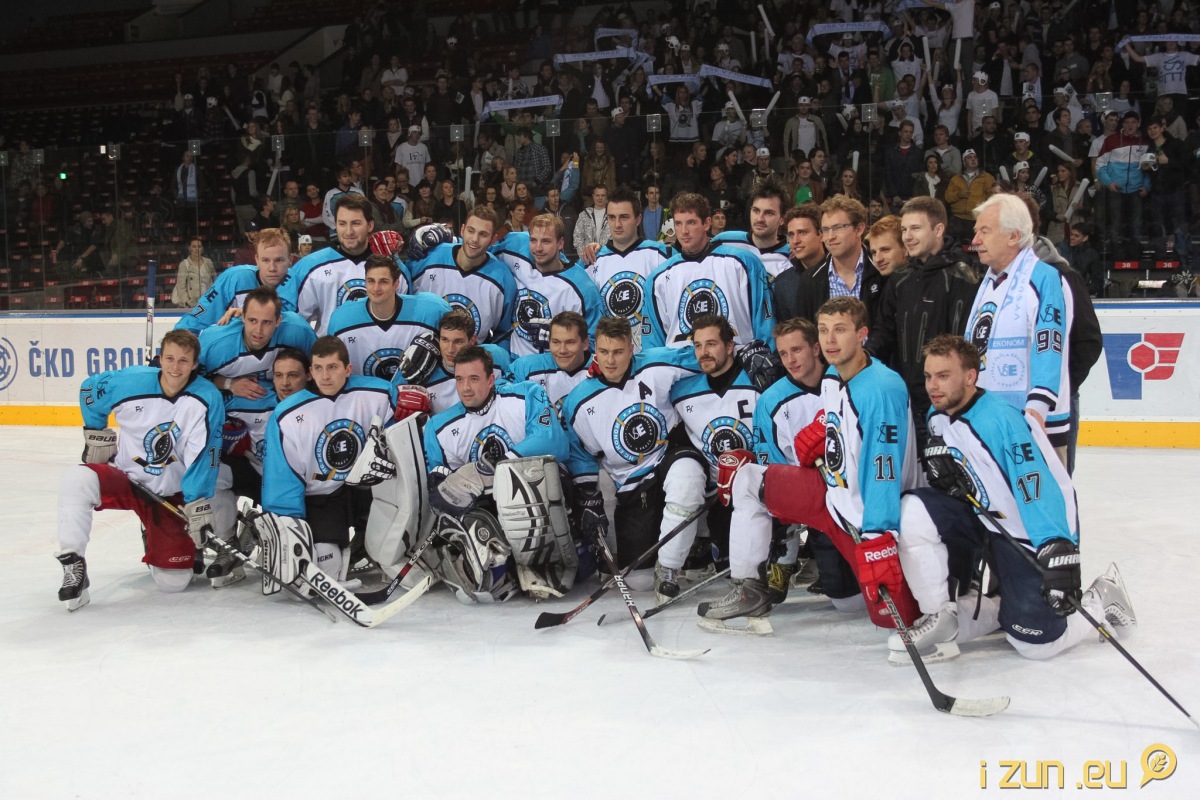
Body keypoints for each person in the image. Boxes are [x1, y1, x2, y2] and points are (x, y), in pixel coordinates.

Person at [891, 335, 1134, 662]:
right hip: (984, 520)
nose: (933, 385)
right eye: (929, 376)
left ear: (970, 376)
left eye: (943, 376)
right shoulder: (938, 415)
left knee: (1036, 645)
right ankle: (942, 616)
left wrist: (1055, 544)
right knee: (912, 510)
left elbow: (1037, 486)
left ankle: (1100, 598)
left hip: (1025, 531)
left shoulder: (1001, 420)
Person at [715, 297, 922, 630]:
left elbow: (883, 471)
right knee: (749, 479)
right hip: (830, 495)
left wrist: (877, 538)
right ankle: (747, 589)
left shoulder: (881, 388)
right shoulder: (832, 378)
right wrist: (819, 437)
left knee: (893, 618)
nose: (830, 340)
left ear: (862, 334)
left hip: (869, 519)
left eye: (840, 330)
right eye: (824, 330)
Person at [55, 330, 234, 609]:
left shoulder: (206, 398)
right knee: (77, 479)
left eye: (184, 361)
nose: (175, 367)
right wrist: (95, 432)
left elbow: (205, 453)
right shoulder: (130, 381)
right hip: (127, 480)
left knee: (173, 583)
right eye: (170, 358)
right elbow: (90, 390)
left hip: (170, 496)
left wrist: (196, 500)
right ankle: (73, 562)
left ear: (195, 365)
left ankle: (153, 533)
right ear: (160, 359)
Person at [700, 317, 827, 632]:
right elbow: (774, 472)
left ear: (816, 348)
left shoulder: (842, 385)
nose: (790, 360)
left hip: (848, 494)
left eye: (797, 350)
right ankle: (751, 587)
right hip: (809, 494)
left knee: (849, 599)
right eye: (783, 353)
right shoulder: (770, 400)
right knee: (748, 478)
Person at [422, 345, 570, 601]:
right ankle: (499, 570)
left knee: (524, 478)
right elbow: (439, 489)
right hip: (489, 511)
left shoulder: (527, 395)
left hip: (539, 499)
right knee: (462, 507)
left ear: (491, 380)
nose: (466, 388)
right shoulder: (438, 428)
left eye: (474, 379)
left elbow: (555, 442)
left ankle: (538, 563)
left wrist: (500, 464)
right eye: (459, 379)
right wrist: (449, 488)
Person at [561, 316, 701, 584]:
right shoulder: (579, 400)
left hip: (668, 456)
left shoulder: (656, 364)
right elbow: (580, 453)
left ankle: (670, 566)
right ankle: (657, 561)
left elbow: (705, 357)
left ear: (631, 348)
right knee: (640, 583)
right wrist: (588, 496)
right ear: (595, 349)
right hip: (631, 485)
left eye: (618, 352)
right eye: (604, 352)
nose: (610, 360)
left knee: (688, 477)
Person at [261, 336, 396, 584]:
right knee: (326, 568)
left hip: (369, 491)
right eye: (319, 368)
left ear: (347, 369)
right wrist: (288, 529)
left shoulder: (380, 394)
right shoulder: (288, 414)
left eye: (332, 367)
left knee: (394, 554)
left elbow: (401, 445)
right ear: (310, 372)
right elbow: (282, 478)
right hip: (323, 497)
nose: (325, 376)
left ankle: (376, 546)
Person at [658, 314, 764, 599]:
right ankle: (668, 567)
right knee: (684, 477)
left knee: (742, 569)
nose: (704, 352)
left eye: (712, 344)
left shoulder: (757, 381)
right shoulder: (681, 391)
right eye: (698, 345)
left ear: (730, 346)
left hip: (752, 487)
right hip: (713, 488)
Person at [966, 194, 1072, 458]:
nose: (975, 240)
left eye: (984, 231)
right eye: (976, 231)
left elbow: (1049, 343)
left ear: (1013, 236)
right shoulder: (989, 281)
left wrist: (1039, 405)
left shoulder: (1044, 278)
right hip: (990, 418)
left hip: (1037, 423)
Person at [870, 196, 979, 443]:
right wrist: (863, 357)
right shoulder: (899, 279)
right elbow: (883, 332)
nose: (907, 237)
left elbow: (963, 345)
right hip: (905, 404)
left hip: (948, 407)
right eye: (904, 230)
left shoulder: (961, 275)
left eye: (915, 228)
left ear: (938, 230)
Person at [642, 192, 774, 350]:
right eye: (678, 223)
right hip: (682, 364)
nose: (684, 231)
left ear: (706, 223)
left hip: (735, 360)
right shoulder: (658, 278)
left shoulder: (744, 263)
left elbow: (765, 326)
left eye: (691, 223)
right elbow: (652, 346)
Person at [493, 214, 604, 358]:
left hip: (556, 366)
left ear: (560, 243)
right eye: (533, 240)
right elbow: (481, 251)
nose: (538, 248)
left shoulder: (583, 289)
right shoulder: (515, 247)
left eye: (546, 241)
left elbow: (594, 342)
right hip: (514, 362)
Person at [328, 254, 451, 381]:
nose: (376, 288)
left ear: (396, 284)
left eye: (383, 281)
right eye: (371, 281)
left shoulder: (431, 311)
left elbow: (458, 346)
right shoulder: (342, 319)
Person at [407, 208, 516, 347]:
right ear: (462, 230)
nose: (475, 239)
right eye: (471, 231)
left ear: (493, 240)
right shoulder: (429, 258)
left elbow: (503, 334)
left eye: (483, 234)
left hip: (471, 357)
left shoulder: (502, 279)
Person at [279, 194, 384, 337]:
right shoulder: (309, 266)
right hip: (330, 349)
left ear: (370, 225)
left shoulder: (391, 267)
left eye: (356, 223)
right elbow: (288, 320)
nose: (349, 231)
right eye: (342, 224)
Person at [580, 188, 670, 348]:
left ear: (638, 219)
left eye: (624, 217)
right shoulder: (591, 260)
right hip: (608, 355)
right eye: (612, 217)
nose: (617, 224)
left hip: (652, 354)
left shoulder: (661, 255)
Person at [773, 195, 882, 326]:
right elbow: (805, 333)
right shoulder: (809, 280)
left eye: (837, 228)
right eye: (825, 230)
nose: (830, 237)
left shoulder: (881, 270)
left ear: (859, 229)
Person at [176, 227, 295, 332]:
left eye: (279, 260)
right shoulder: (234, 278)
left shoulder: (298, 282)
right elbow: (196, 321)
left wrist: (251, 314)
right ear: (257, 260)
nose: (272, 268)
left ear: (290, 260)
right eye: (265, 260)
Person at [405, 309, 511, 413]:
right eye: (445, 340)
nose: (450, 349)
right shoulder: (422, 373)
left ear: (472, 340)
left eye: (458, 341)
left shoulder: (497, 357)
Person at [507, 311, 593, 410]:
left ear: (585, 344)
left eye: (570, 342)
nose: (562, 350)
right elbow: (502, 398)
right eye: (556, 342)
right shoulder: (525, 367)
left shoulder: (603, 371)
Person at [712, 183, 792, 283]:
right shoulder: (723, 241)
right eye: (756, 211)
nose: (760, 219)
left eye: (769, 213)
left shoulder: (792, 255)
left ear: (782, 219)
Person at [944, 149, 996, 242]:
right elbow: (948, 197)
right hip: (957, 219)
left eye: (975, 157)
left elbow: (993, 197)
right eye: (969, 158)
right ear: (964, 162)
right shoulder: (955, 179)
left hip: (977, 218)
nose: (973, 159)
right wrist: (958, 195)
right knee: (953, 246)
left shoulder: (987, 178)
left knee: (977, 247)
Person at [171, 238, 216, 309]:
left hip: (207, 302)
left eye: (199, 246)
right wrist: (187, 302)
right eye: (194, 246)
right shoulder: (184, 264)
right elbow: (181, 286)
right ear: (189, 248)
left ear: (202, 248)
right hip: (191, 304)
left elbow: (215, 281)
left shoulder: (208, 262)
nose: (197, 249)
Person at [572, 184, 611, 255]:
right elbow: (577, 236)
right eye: (597, 195)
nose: (600, 198)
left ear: (606, 196)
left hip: (607, 256)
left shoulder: (612, 215)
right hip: (587, 257)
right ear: (593, 196)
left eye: (603, 195)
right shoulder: (584, 215)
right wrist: (584, 255)